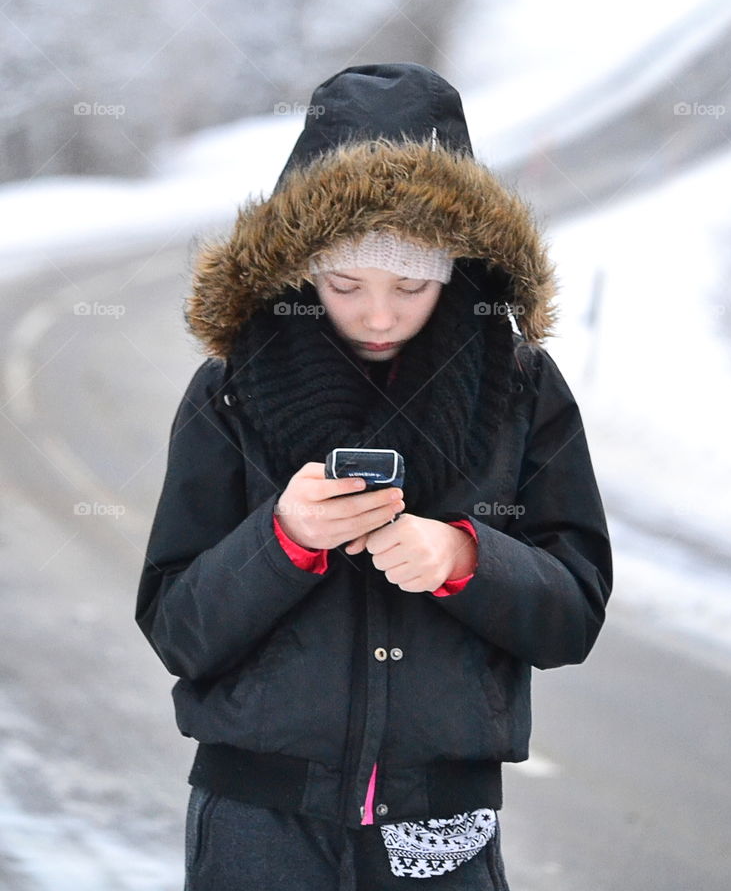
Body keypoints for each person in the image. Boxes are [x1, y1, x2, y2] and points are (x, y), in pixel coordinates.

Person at [135, 62, 612, 890]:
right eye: (345, 283)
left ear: (460, 266)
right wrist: (282, 539)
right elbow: (178, 629)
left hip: (441, 822)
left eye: (413, 284)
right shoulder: (231, 389)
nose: (380, 313)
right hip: (257, 823)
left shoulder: (522, 388)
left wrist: (467, 561)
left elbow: (571, 616)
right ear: (297, 266)